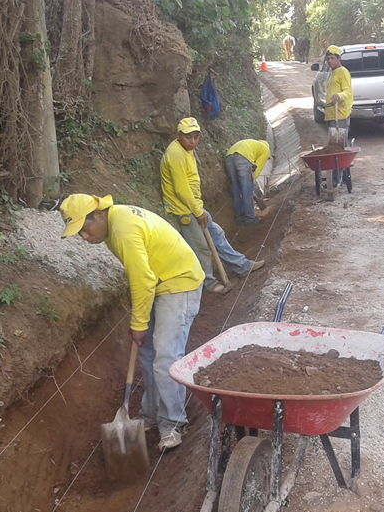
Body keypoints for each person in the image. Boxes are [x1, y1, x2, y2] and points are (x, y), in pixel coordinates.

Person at [59, 193, 203, 452]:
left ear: (99, 214)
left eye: (84, 228)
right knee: (147, 354)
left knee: (165, 357)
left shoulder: (123, 230)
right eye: (78, 232)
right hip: (159, 283)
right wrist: (141, 321)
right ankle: (150, 415)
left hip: (179, 282)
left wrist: (139, 322)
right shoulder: (113, 225)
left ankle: (173, 423)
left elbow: (142, 280)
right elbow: (144, 277)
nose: (83, 237)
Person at [160, 118, 265, 294]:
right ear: (178, 136)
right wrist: (197, 211)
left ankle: (242, 266)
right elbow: (181, 190)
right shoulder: (176, 155)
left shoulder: (187, 150)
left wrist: (198, 209)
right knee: (201, 248)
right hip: (184, 210)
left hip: (194, 206)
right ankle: (209, 283)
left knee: (217, 235)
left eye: (196, 137)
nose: (193, 141)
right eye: (188, 137)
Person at [224, 139, 270, 225]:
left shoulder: (254, 145)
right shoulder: (266, 150)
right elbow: (257, 169)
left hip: (229, 157)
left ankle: (239, 217)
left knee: (236, 190)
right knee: (247, 191)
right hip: (243, 158)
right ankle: (250, 219)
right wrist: (250, 184)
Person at [324, 45, 353, 147]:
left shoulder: (343, 72)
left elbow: (348, 92)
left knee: (339, 145)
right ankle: (337, 162)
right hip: (332, 114)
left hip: (340, 114)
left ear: (339, 58)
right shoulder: (332, 73)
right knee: (333, 144)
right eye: (328, 59)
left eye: (332, 58)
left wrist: (339, 95)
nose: (330, 61)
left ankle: (343, 162)